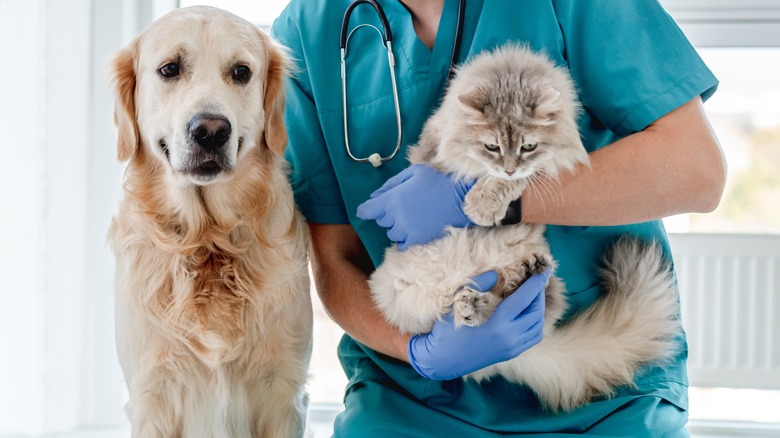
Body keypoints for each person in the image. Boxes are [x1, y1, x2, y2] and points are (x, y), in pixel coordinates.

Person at [271, 0, 727, 436]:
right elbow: (334, 262)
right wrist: (420, 352)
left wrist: (502, 199)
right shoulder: (308, 29)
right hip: (410, 396)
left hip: (605, 395)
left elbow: (697, 170)